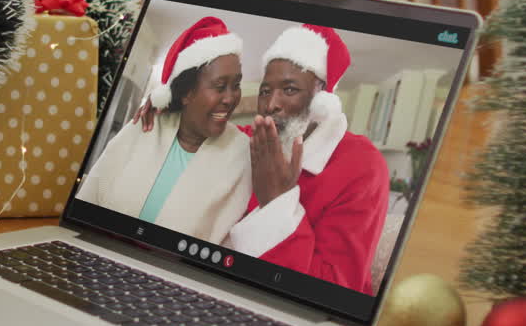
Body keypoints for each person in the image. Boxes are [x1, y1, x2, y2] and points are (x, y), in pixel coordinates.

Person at [226, 24, 389, 294]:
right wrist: (167, 112)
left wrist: (276, 203)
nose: (270, 105)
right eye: (265, 91)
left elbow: (335, 290)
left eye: (289, 90)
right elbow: (207, 133)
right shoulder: (253, 140)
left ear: (321, 100)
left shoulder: (364, 167)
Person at [77, 17, 251, 243]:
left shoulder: (243, 152)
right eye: (220, 87)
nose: (230, 98)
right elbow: (88, 204)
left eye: (236, 85)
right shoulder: (144, 127)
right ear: (186, 93)